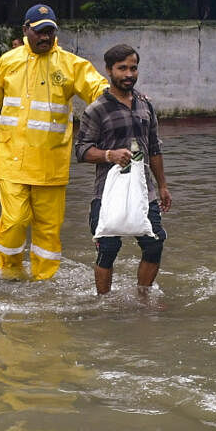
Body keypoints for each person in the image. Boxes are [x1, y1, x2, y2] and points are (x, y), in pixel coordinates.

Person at [0, 4, 108, 281]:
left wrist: (120, 101)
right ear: (26, 30)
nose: (45, 37)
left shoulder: (72, 65)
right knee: (13, 221)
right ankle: (10, 273)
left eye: (50, 31)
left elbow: (98, 90)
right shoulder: (9, 61)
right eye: (39, 32)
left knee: (48, 229)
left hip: (52, 164)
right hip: (12, 160)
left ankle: (44, 282)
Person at [74, 44, 173, 296]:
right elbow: (82, 151)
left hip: (144, 190)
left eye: (133, 68)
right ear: (109, 70)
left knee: (154, 244)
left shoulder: (145, 105)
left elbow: (154, 148)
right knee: (108, 248)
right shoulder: (97, 109)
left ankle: (143, 297)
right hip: (107, 190)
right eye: (122, 68)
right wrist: (110, 155)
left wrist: (162, 185)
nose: (129, 74)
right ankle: (103, 303)